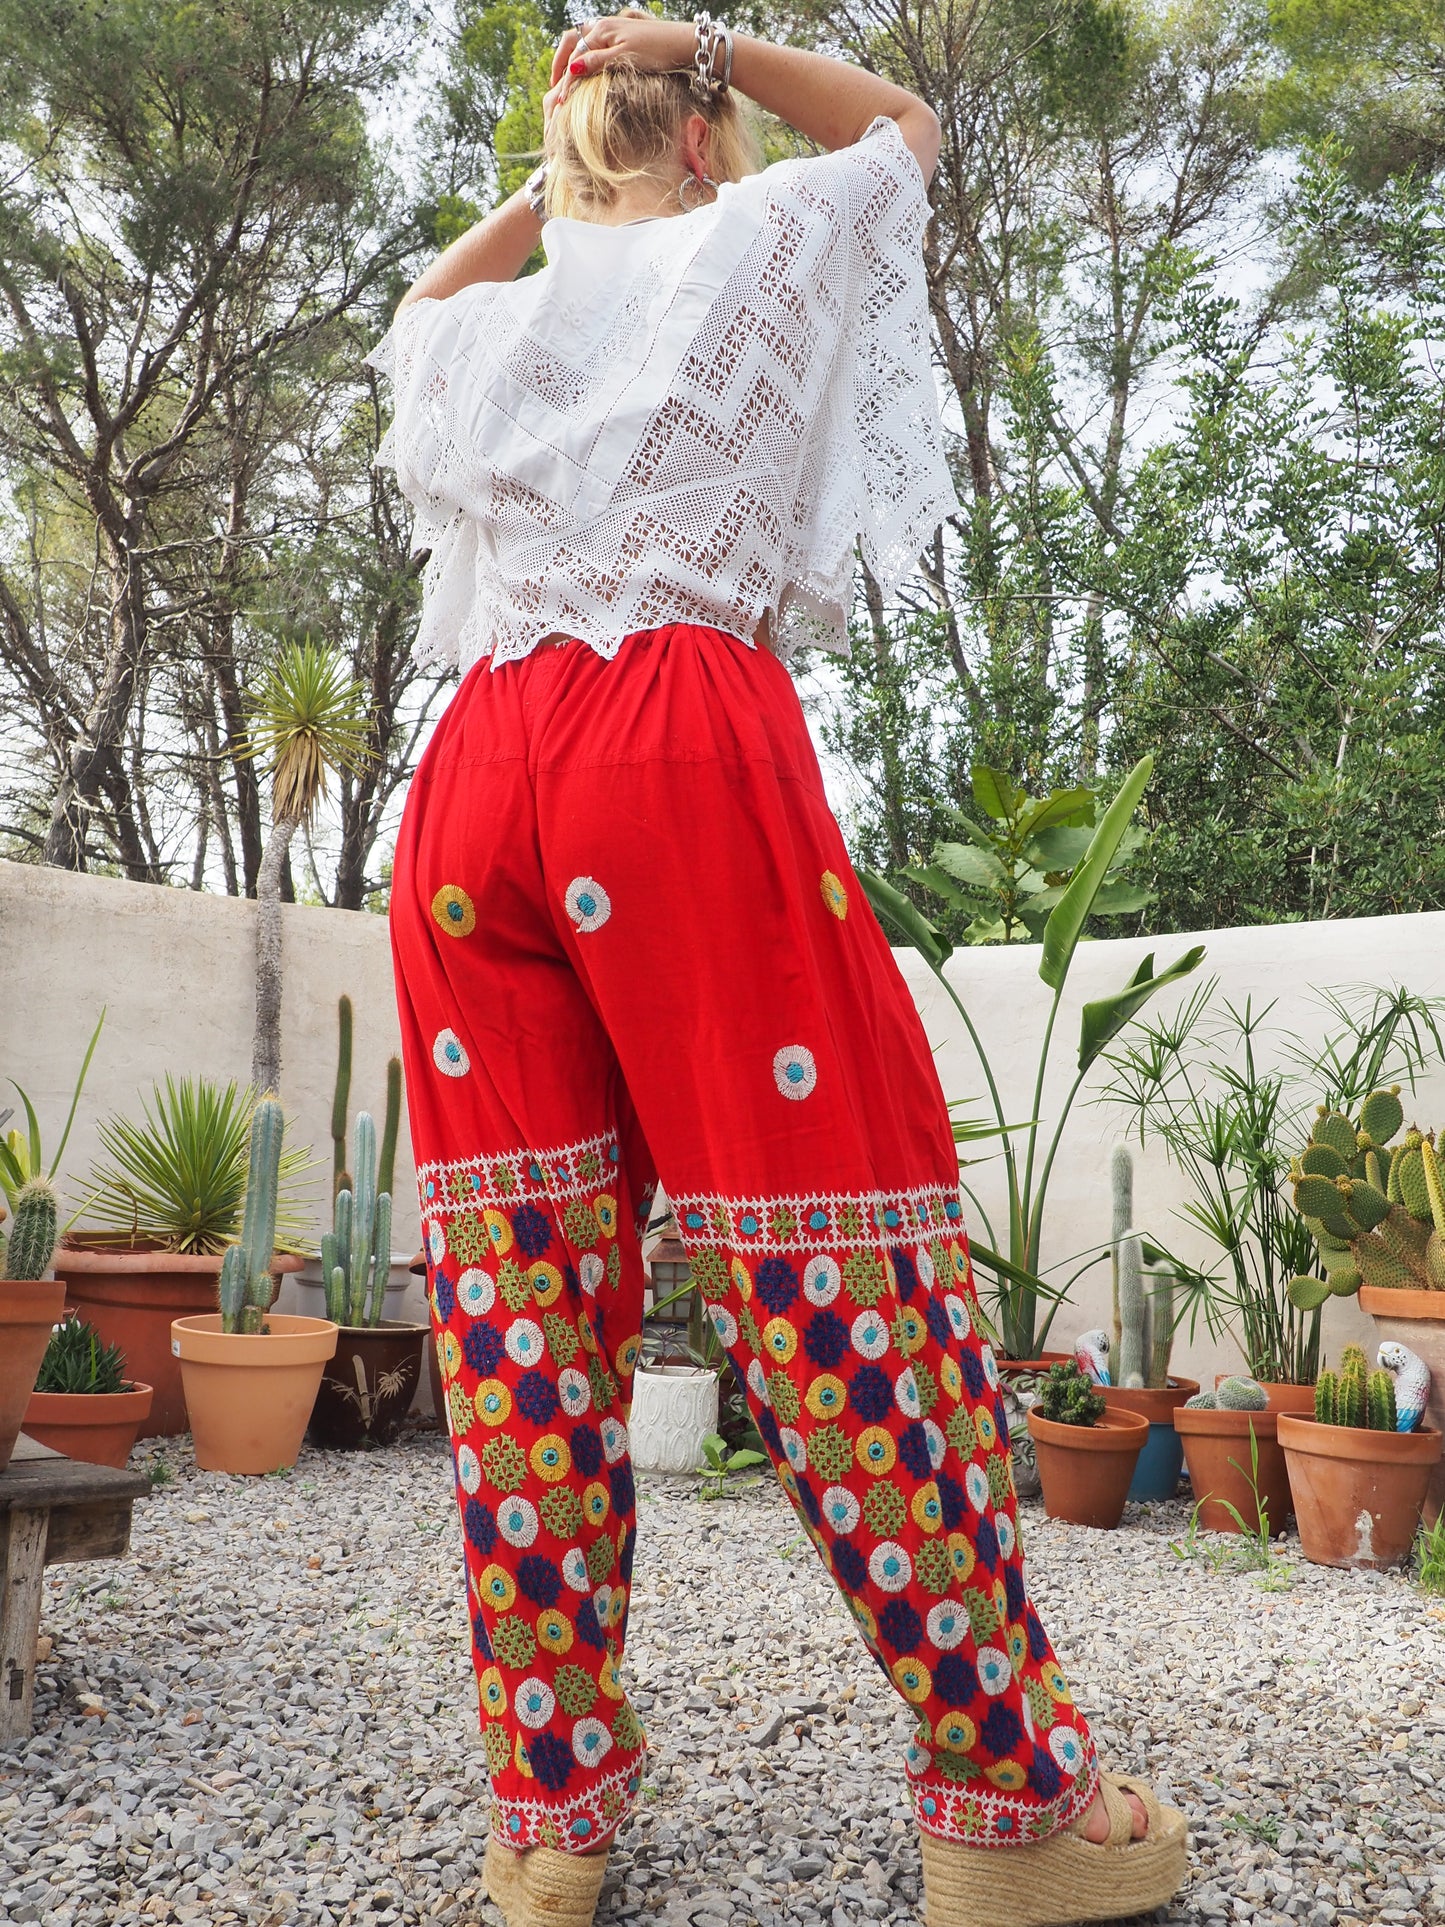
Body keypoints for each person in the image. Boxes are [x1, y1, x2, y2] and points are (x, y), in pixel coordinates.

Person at [371, 13, 1187, 1926]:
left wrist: (565, 171)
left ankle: (548, 1821)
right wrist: (710, 49)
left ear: (577, 150)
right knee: (832, 1257)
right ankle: (1007, 1803)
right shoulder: (755, 236)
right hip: (668, 754)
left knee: (517, 1308)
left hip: (471, 785)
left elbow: (424, 285)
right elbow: (906, 122)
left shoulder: (480, 329)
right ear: (715, 145)